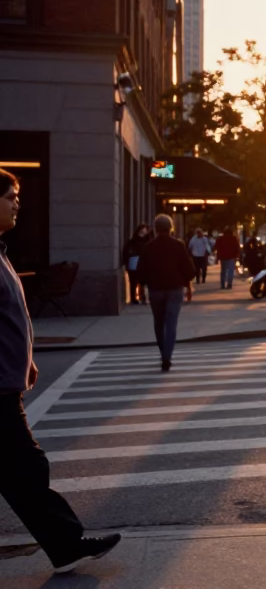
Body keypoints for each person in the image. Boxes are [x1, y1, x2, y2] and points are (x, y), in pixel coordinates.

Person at [0, 169, 123, 573]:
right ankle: (67, 542)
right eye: (10, 196)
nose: (18, 203)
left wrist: (26, 358)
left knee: (22, 471)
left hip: (5, 383)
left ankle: (66, 543)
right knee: (26, 468)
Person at [138, 214, 196, 372]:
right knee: (171, 324)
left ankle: (163, 352)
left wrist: (141, 291)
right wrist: (189, 288)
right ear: (171, 228)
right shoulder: (178, 246)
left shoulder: (148, 247)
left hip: (155, 289)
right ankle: (167, 357)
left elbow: (141, 273)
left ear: (155, 229)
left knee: (158, 322)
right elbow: (188, 271)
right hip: (174, 289)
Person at [122, 223, 151, 304]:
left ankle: (143, 297)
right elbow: (127, 251)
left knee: (143, 281)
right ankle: (133, 298)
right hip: (134, 262)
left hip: (142, 263)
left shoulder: (147, 240)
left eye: (145, 230)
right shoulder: (132, 241)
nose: (144, 232)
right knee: (133, 281)